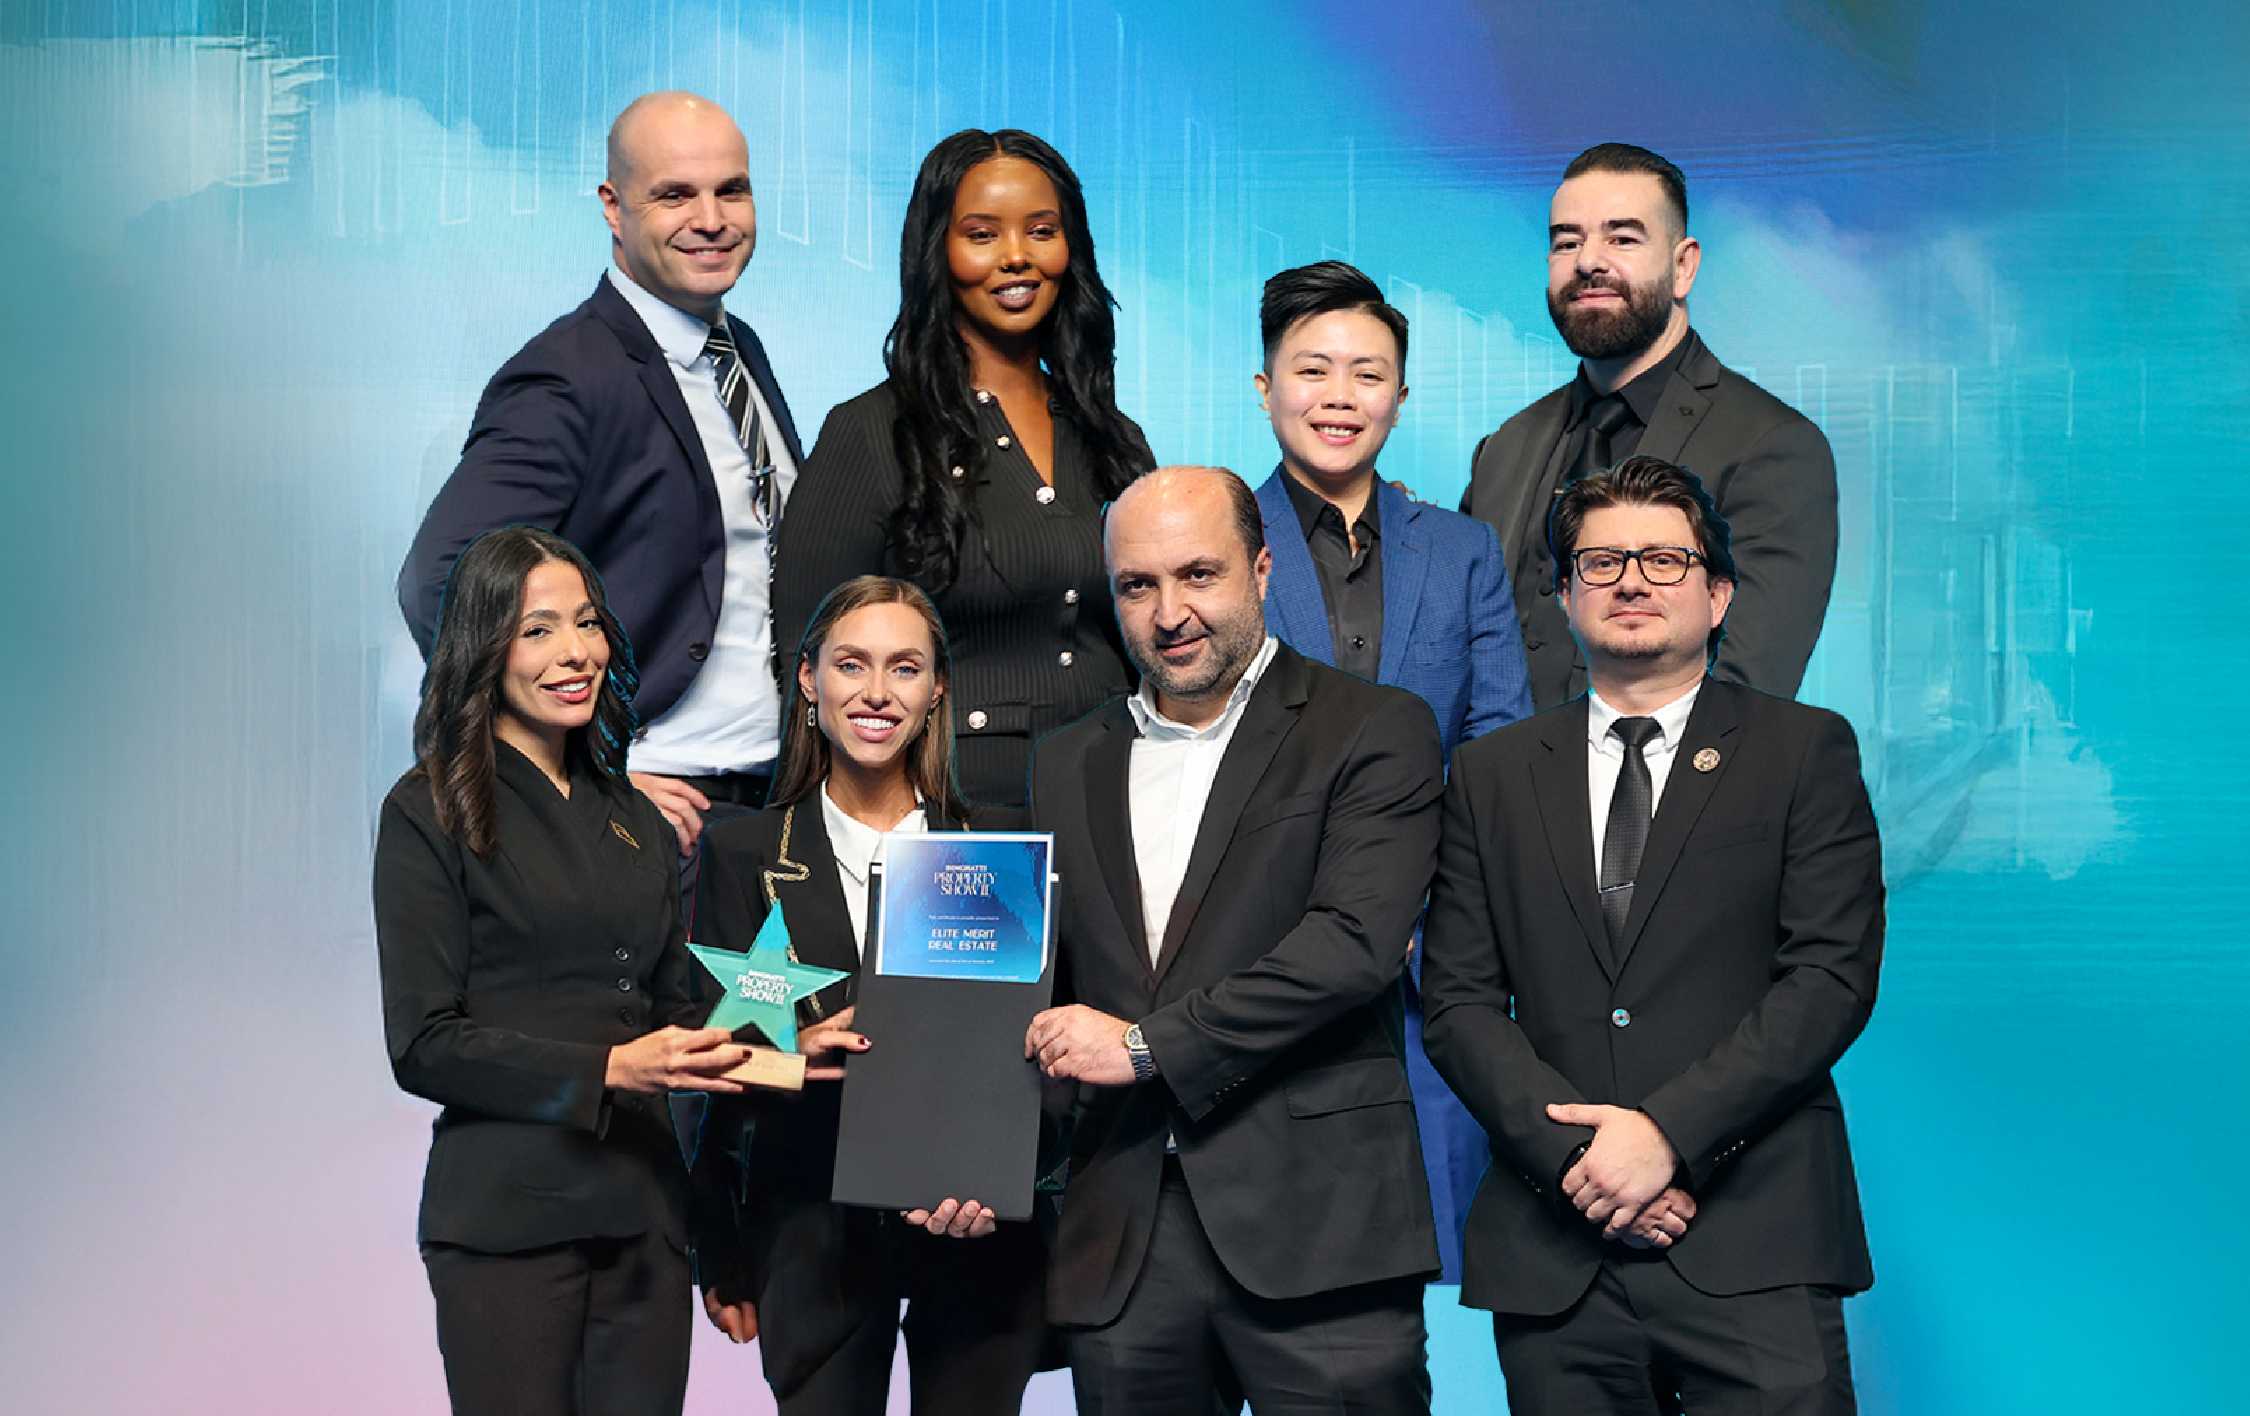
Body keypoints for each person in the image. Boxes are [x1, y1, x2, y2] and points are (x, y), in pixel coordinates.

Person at [1421, 457, 1883, 1414]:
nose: (1631, 580)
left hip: (1755, 1233)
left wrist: (1666, 1137)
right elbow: (1458, 1006)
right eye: (1602, 563)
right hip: (1558, 1248)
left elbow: (1829, 980)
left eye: (1665, 560)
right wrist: (1585, 1168)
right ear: (1565, 597)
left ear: (1719, 596)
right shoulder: (1491, 774)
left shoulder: (1804, 749)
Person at [1024, 466, 1443, 1414]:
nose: (1169, 613)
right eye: (1138, 585)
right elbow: (1039, 985)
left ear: (1261, 569)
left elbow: (1352, 947)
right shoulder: (1065, 761)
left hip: (1321, 1224)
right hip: (1124, 1232)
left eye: (1199, 575)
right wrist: (955, 1153)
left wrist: (1143, 1047)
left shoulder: (1372, 729)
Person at [374, 526, 754, 1416]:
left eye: (587, 623)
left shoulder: (636, 816)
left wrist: (777, 1047)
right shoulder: (428, 810)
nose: (575, 652)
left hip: (644, 1224)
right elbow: (425, 1045)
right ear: (483, 647)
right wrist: (611, 1070)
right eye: (537, 630)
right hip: (508, 1226)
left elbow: (675, 1018)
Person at [399, 91, 803, 861]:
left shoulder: (737, 349)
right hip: (658, 820)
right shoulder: (567, 376)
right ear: (613, 208)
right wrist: (583, 776)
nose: (712, 219)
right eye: (675, 195)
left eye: (732, 190)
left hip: (766, 804)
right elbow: (439, 581)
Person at [689, 576, 1050, 1415]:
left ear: (937, 692)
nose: (877, 692)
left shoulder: (1005, 848)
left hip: (977, 1227)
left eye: (905, 668)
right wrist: (718, 1245)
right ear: (808, 679)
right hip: (809, 1230)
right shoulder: (742, 855)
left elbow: (1041, 1052)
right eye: (852, 664)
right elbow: (705, 1069)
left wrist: (1013, 1182)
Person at [1249, 259, 1533, 1281]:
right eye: (1312, 369)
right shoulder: (1214, 543)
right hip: (1256, 944)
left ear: (1401, 397)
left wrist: (1418, 901)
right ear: (1266, 388)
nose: (1340, 396)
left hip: (1425, 953)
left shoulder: (1464, 551)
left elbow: (1497, 752)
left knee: (1424, 1242)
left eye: (1367, 374)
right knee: (1265, 1243)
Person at [774, 128, 1154, 808]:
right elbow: (807, 671)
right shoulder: (872, 433)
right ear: (937, 253)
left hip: (1116, 804)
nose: (1016, 256)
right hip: (948, 822)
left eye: (1041, 231)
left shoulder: (1112, 437)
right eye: (982, 235)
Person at [1459, 142, 1838, 712]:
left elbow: (1744, 700)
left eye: (1622, 238)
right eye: (1567, 241)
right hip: (1490, 770)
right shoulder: (1504, 448)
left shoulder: (1771, 446)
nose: (1588, 261)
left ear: (1684, 266)